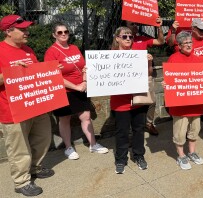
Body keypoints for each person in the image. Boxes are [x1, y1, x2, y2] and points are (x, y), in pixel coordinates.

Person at [0, 15, 54, 196]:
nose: (27, 32)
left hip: (35, 105)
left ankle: (34, 167)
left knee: (43, 137)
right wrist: (10, 73)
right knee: (19, 148)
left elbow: (35, 75)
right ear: (8, 31)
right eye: (22, 29)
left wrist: (51, 71)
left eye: (26, 28)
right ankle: (21, 181)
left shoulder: (28, 50)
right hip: (12, 109)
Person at [44, 22, 109, 160]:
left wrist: (84, 81)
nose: (63, 34)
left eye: (66, 31)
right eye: (60, 32)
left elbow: (83, 66)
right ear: (54, 35)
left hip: (81, 88)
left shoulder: (74, 48)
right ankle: (68, 147)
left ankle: (93, 144)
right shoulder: (51, 52)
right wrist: (76, 87)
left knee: (85, 116)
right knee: (64, 119)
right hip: (64, 91)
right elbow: (54, 75)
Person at [110, 26, 153, 174]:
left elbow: (148, 74)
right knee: (122, 132)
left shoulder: (138, 54)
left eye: (130, 36)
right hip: (120, 102)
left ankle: (139, 156)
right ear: (117, 39)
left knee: (139, 130)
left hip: (138, 100)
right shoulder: (109, 56)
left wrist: (148, 63)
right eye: (124, 36)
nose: (128, 39)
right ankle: (121, 159)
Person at [167, 19, 203, 132]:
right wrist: (174, 31)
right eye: (200, 30)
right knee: (192, 101)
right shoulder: (187, 41)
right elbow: (173, 46)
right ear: (193, 29)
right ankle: (188, 127)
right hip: (193, 78)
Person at [166, 31, 203, 170]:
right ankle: (181, 155)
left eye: (190, 42)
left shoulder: (197, 59)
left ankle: (192, 152)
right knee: (180, 132)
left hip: (195, 104)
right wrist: (167, 84)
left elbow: (202, 78)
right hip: (180, 105)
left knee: (195, 129)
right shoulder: (173, 58)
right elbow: (169, 78)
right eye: (186, 43)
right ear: (179, 45)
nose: (189, 45)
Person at [125, 18, 164, 136]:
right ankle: (131, 132)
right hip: (128, 78)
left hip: (145, 76)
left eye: (136, 23)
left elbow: (160, 41)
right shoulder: (121, 43)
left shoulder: (142, 39)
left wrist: (159, 27)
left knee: (152, 102)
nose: (135, 25)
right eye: (132, 23)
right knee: (130, 105)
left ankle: (148, 123)